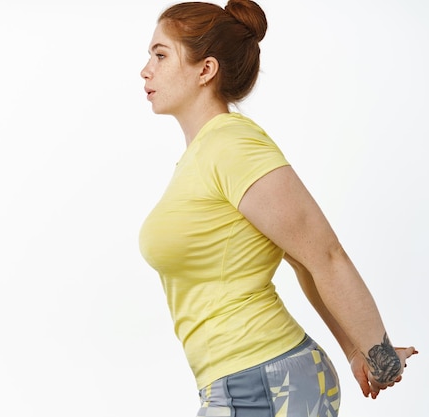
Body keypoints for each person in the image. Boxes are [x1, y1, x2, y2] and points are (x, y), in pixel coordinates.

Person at [138, 1, 417, 416]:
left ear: (205, 70)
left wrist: (377, 352)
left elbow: (324, 254)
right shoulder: (205, 155)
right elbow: (300, 261)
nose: (146, 69)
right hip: (244, 381)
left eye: (160, 55)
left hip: (264, 380)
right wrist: (353, 349)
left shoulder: (232, 145)